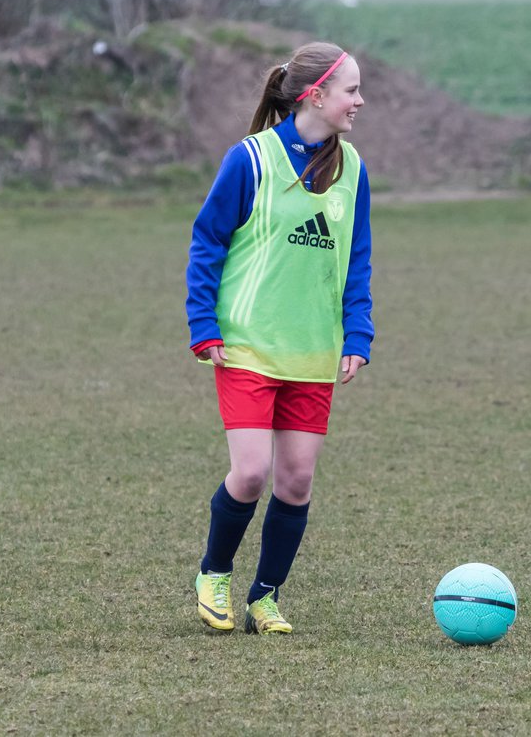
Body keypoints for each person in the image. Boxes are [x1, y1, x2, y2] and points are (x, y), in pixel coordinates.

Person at [184, 41, 373, 635]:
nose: (360, 101)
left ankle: (264, 597)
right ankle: (214, 573)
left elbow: (357, 258)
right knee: (249, 474)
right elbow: (207, 241)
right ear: (315, 95)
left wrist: (357, 331)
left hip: (312, 351)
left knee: (296, 480)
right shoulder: (250, 160)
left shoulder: (353, 168)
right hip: (247, 346)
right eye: (351, 91)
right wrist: (203, 324)